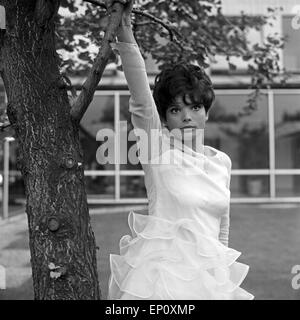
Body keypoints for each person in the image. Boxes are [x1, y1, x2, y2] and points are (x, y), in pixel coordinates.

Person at [107, 0, 254, 300]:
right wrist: (125, 33)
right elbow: (141, 98)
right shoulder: (156, 150)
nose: (187, 116)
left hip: (209, 280)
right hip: (160, 280)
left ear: (206, 112)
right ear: (164, 117)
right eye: (176, 109)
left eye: (195, 106)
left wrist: (221, 279)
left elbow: (221, 228)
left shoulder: (221, 162)